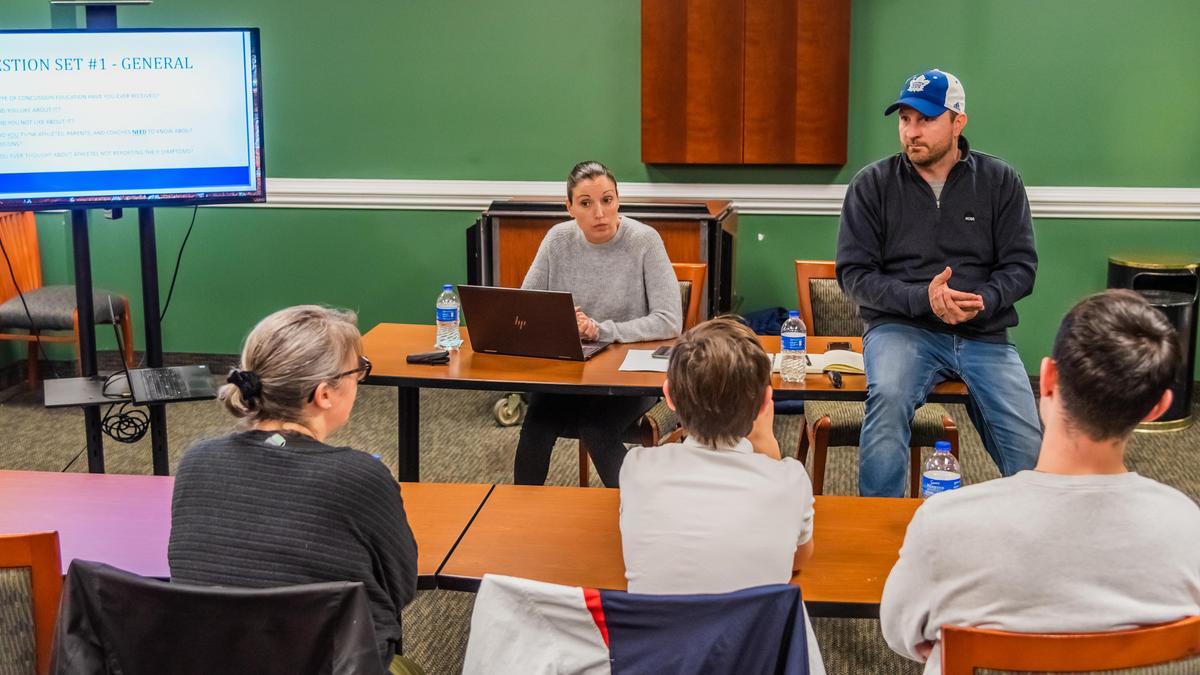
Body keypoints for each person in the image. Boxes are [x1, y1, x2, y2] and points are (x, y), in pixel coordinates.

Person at [880, 290, 1200, 674]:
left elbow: (901, 636)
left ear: (1047, 378)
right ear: (1157, 408)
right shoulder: (1188, 529)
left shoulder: (944, 525)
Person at [168, 305, 420, 674]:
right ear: (324, 394)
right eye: (358, 370)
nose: (360, 380)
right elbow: (401, 588)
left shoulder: (196, 461)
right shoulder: (361, 476)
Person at [836, 68, 1043, 497]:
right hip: (901, 328)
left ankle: (1036, 529)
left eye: (926, 119)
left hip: (983, 332)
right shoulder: (871, 185)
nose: (912, 131)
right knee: (888, 400)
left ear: (958, 122)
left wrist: (982, 300)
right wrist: (923, 299)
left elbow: (1021, 267)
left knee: (1029, 449)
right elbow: (854, 276)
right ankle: (877, 526)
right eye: (905, 119)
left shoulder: (1000, 181)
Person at [618, 316, 824, 672]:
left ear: (668, 396)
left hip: (661, 661)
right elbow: (798, 559)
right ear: (764, 404)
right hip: (755, 659)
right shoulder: (790, 480)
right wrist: (769, 451)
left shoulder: (637, 468)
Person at [515, 160, 682, 487]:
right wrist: (563, 321)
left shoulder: (644, 241)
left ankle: (636, 515)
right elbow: (524, 309)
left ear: (618, 200)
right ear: (570, 208)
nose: (600, 213)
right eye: (586, 203)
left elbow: (669, 320)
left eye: (607, 200)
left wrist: (601, 330)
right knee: (536, 422)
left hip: (629, 377)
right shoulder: (557, 240)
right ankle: (518, 517)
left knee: (596, 427)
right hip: (572, 372)